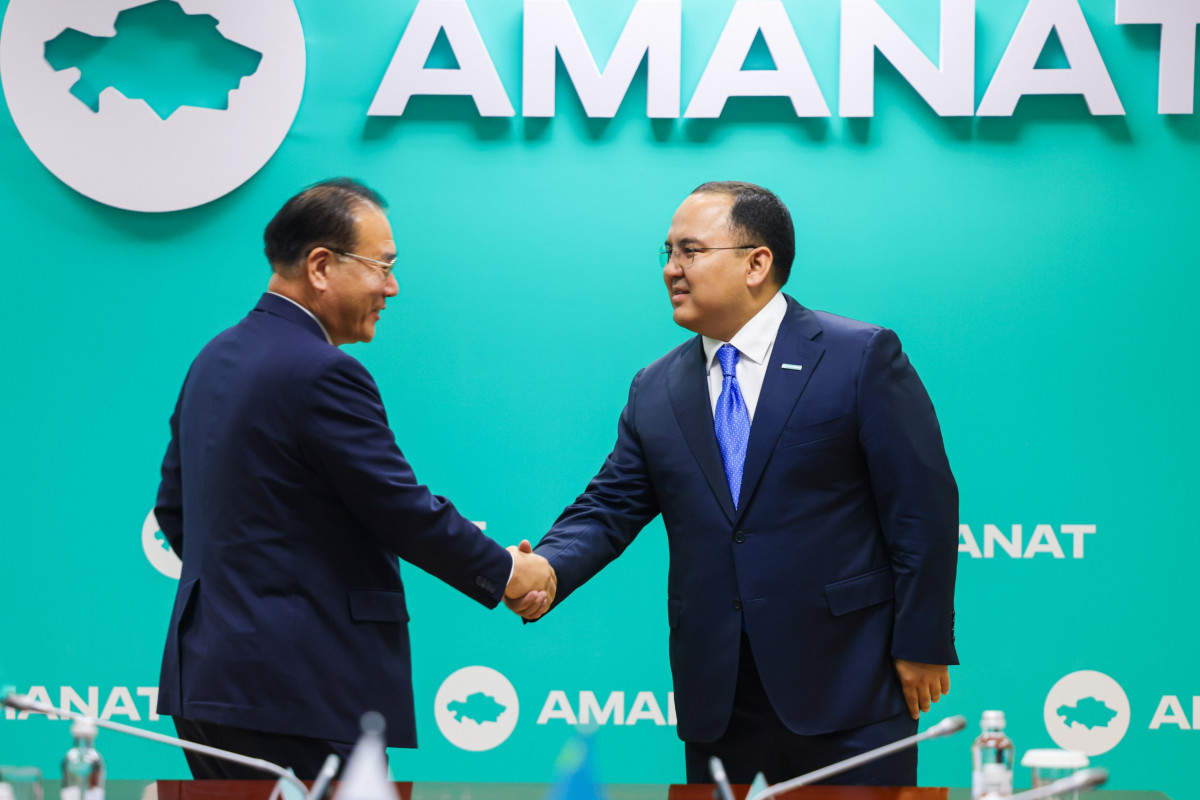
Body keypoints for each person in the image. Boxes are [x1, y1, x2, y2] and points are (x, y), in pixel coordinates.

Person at [523, 182, 958, 786]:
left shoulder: (858, 356)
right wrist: (546, 567)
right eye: (668, 252)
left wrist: (922, 640)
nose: (672, 269)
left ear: (757, 263)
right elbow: (610, 505)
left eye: (691, 251)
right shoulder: (656, 387)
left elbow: (922, 508)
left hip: (850, 683)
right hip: (720, 697)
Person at [154, 178, 555, 779]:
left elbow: (173, 509)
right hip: (298, 689)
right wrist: (508, 572)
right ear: (320, 266)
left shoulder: (214, 357)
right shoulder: (323, 372)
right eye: (382, 267)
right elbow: (401, 509)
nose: (392, 288)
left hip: (210, 684)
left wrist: (247, 594)